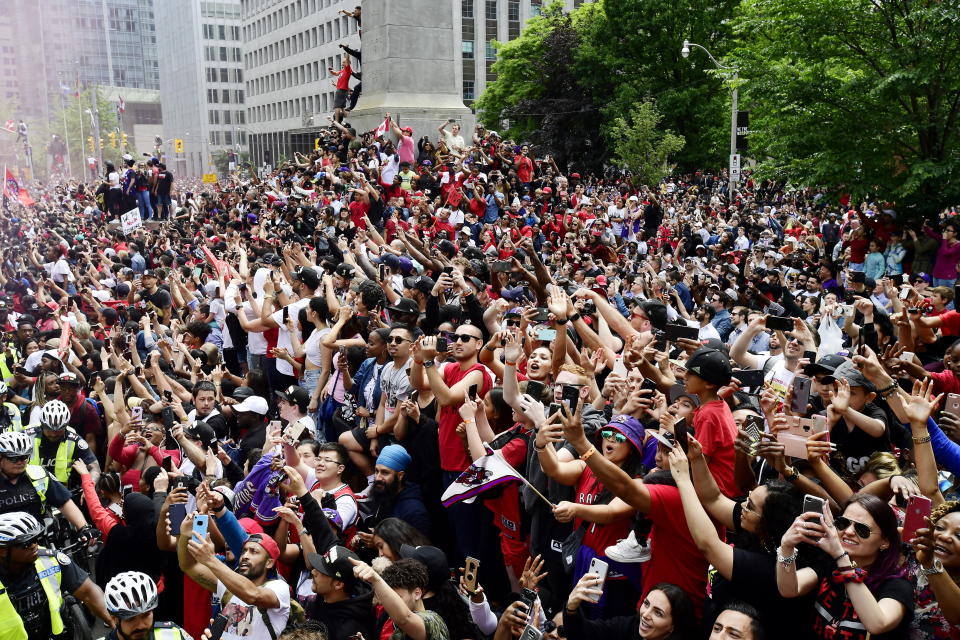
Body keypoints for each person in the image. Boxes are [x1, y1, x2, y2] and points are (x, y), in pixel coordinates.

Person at [777, 493, 912, 639]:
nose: (848, 532)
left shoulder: (897, 585)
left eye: (862, 529)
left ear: (884, 542)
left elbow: (878, 624)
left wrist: (841, 558)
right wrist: (786, 547)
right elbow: (790, 589)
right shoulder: (830, 561)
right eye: (843, 523)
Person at [0, 511, 112, 639]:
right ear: (3, 550)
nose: (35, 545)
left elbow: (89, 593)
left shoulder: (50, 560)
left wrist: (117, 624)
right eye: (26, 543)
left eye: (36, 539)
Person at [179, 513, 291, 640]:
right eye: (244, 551)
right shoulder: (230, 587)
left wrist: (210, 559)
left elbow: (253, 596)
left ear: (269, 562)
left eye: (254, 551)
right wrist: (185, 536)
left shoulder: (279, 587)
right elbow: (188, 566)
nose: (245, 556)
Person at [350, 556, 451, 640]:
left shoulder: (432, 620)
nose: (391, 604)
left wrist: (375, 579)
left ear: (417, 593)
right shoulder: (393, 624)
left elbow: (404, 619)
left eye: (398, 597)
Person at [563, 577, 696, 640]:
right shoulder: (629, 626)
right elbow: (585, 634)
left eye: (658, 613)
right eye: (646, 604)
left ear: (673, 626)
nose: (645, 614)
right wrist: (571, 607)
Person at [25, 399, 100, 487]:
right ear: (42, 425)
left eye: (59, 430)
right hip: (30, 489)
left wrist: (90, 485)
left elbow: (95, 467)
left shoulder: (74, 439)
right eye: (49, 429)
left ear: (66, 426)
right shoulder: (26, 436)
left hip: (62, 490)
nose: (53, 434)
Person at [104, 571, 192, 640]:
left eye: (146, 615)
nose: (141, 625)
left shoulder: (173, 634)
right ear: (114, 618)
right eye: (130, 619)